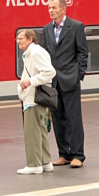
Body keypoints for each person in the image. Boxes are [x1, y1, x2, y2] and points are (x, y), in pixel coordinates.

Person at [43, 0, 89, 168]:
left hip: (70, 79)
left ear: (63, 9)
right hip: (54, 81)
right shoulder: (47, 29)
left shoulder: (76, 26)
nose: (51, 10)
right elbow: (46, 53)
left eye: (54, 7)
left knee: (73, 118)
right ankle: (64, 154)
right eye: (49, 7)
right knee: (57, 118)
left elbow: (82, 52)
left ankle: (78, 155)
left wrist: (78, 74)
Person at [15, 29, 57, 175]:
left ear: (30, 39)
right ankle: (45, 162)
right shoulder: (32, 53)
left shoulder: (35, 53)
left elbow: (49, 72)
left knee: (31, 131)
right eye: (17, 38)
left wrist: (30, 82)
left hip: (34, 97)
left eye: (21, 38)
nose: (18, 41)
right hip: (35, 96)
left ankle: (34, 164)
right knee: (40, 130)